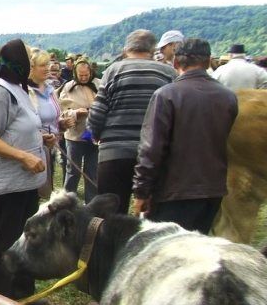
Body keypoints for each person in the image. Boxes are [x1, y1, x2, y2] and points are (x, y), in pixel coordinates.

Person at [132, 38, 238, 234]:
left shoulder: (166, 95)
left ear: (175, 62)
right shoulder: (228, 96)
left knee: (169, 254)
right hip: (212, 191)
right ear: (208, 62)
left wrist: (141, 191)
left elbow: (151, 149)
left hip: (173, 192)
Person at [0, 39, 47, 299]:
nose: (31, 62)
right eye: (27, 57)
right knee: (5, 242)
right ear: (17, 61)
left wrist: (40, 140)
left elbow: (19, 127)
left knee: (25, 238)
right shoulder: (0, 91)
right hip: (10, 183)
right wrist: (23, 157)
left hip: (26, 182)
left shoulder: (18, 88)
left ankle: (22, 291)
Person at [88, 29, 176, 214]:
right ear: (153, 49)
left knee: (109, 215)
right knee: (152, 215)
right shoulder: (169, 73)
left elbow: (97, 113)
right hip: (155, 155)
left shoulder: (114, 70)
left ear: (127, 47)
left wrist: (95, 134)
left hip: (115, 153)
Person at [58, 58, 101, 203]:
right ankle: (66, 204)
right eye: (80, 75)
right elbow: (62, 111)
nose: (83, 78)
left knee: (92, 172)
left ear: (90, 72)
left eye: (86, 75)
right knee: (73, 172)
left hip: (94, 136)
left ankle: (91, 206)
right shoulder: (68, 87)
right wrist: (76, 113)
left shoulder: (99, 85)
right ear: (75, 73)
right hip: (75, 136)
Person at [27, 49, 62, 199]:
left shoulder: (50, 89)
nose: (47, 68)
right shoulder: (26, 92)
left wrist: (63, 123)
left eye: (48, 64)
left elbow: (54, 118)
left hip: (50, 147)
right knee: (34, 194)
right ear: (31, 68)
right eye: (42, 65)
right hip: (33, 149)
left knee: (46, 192)